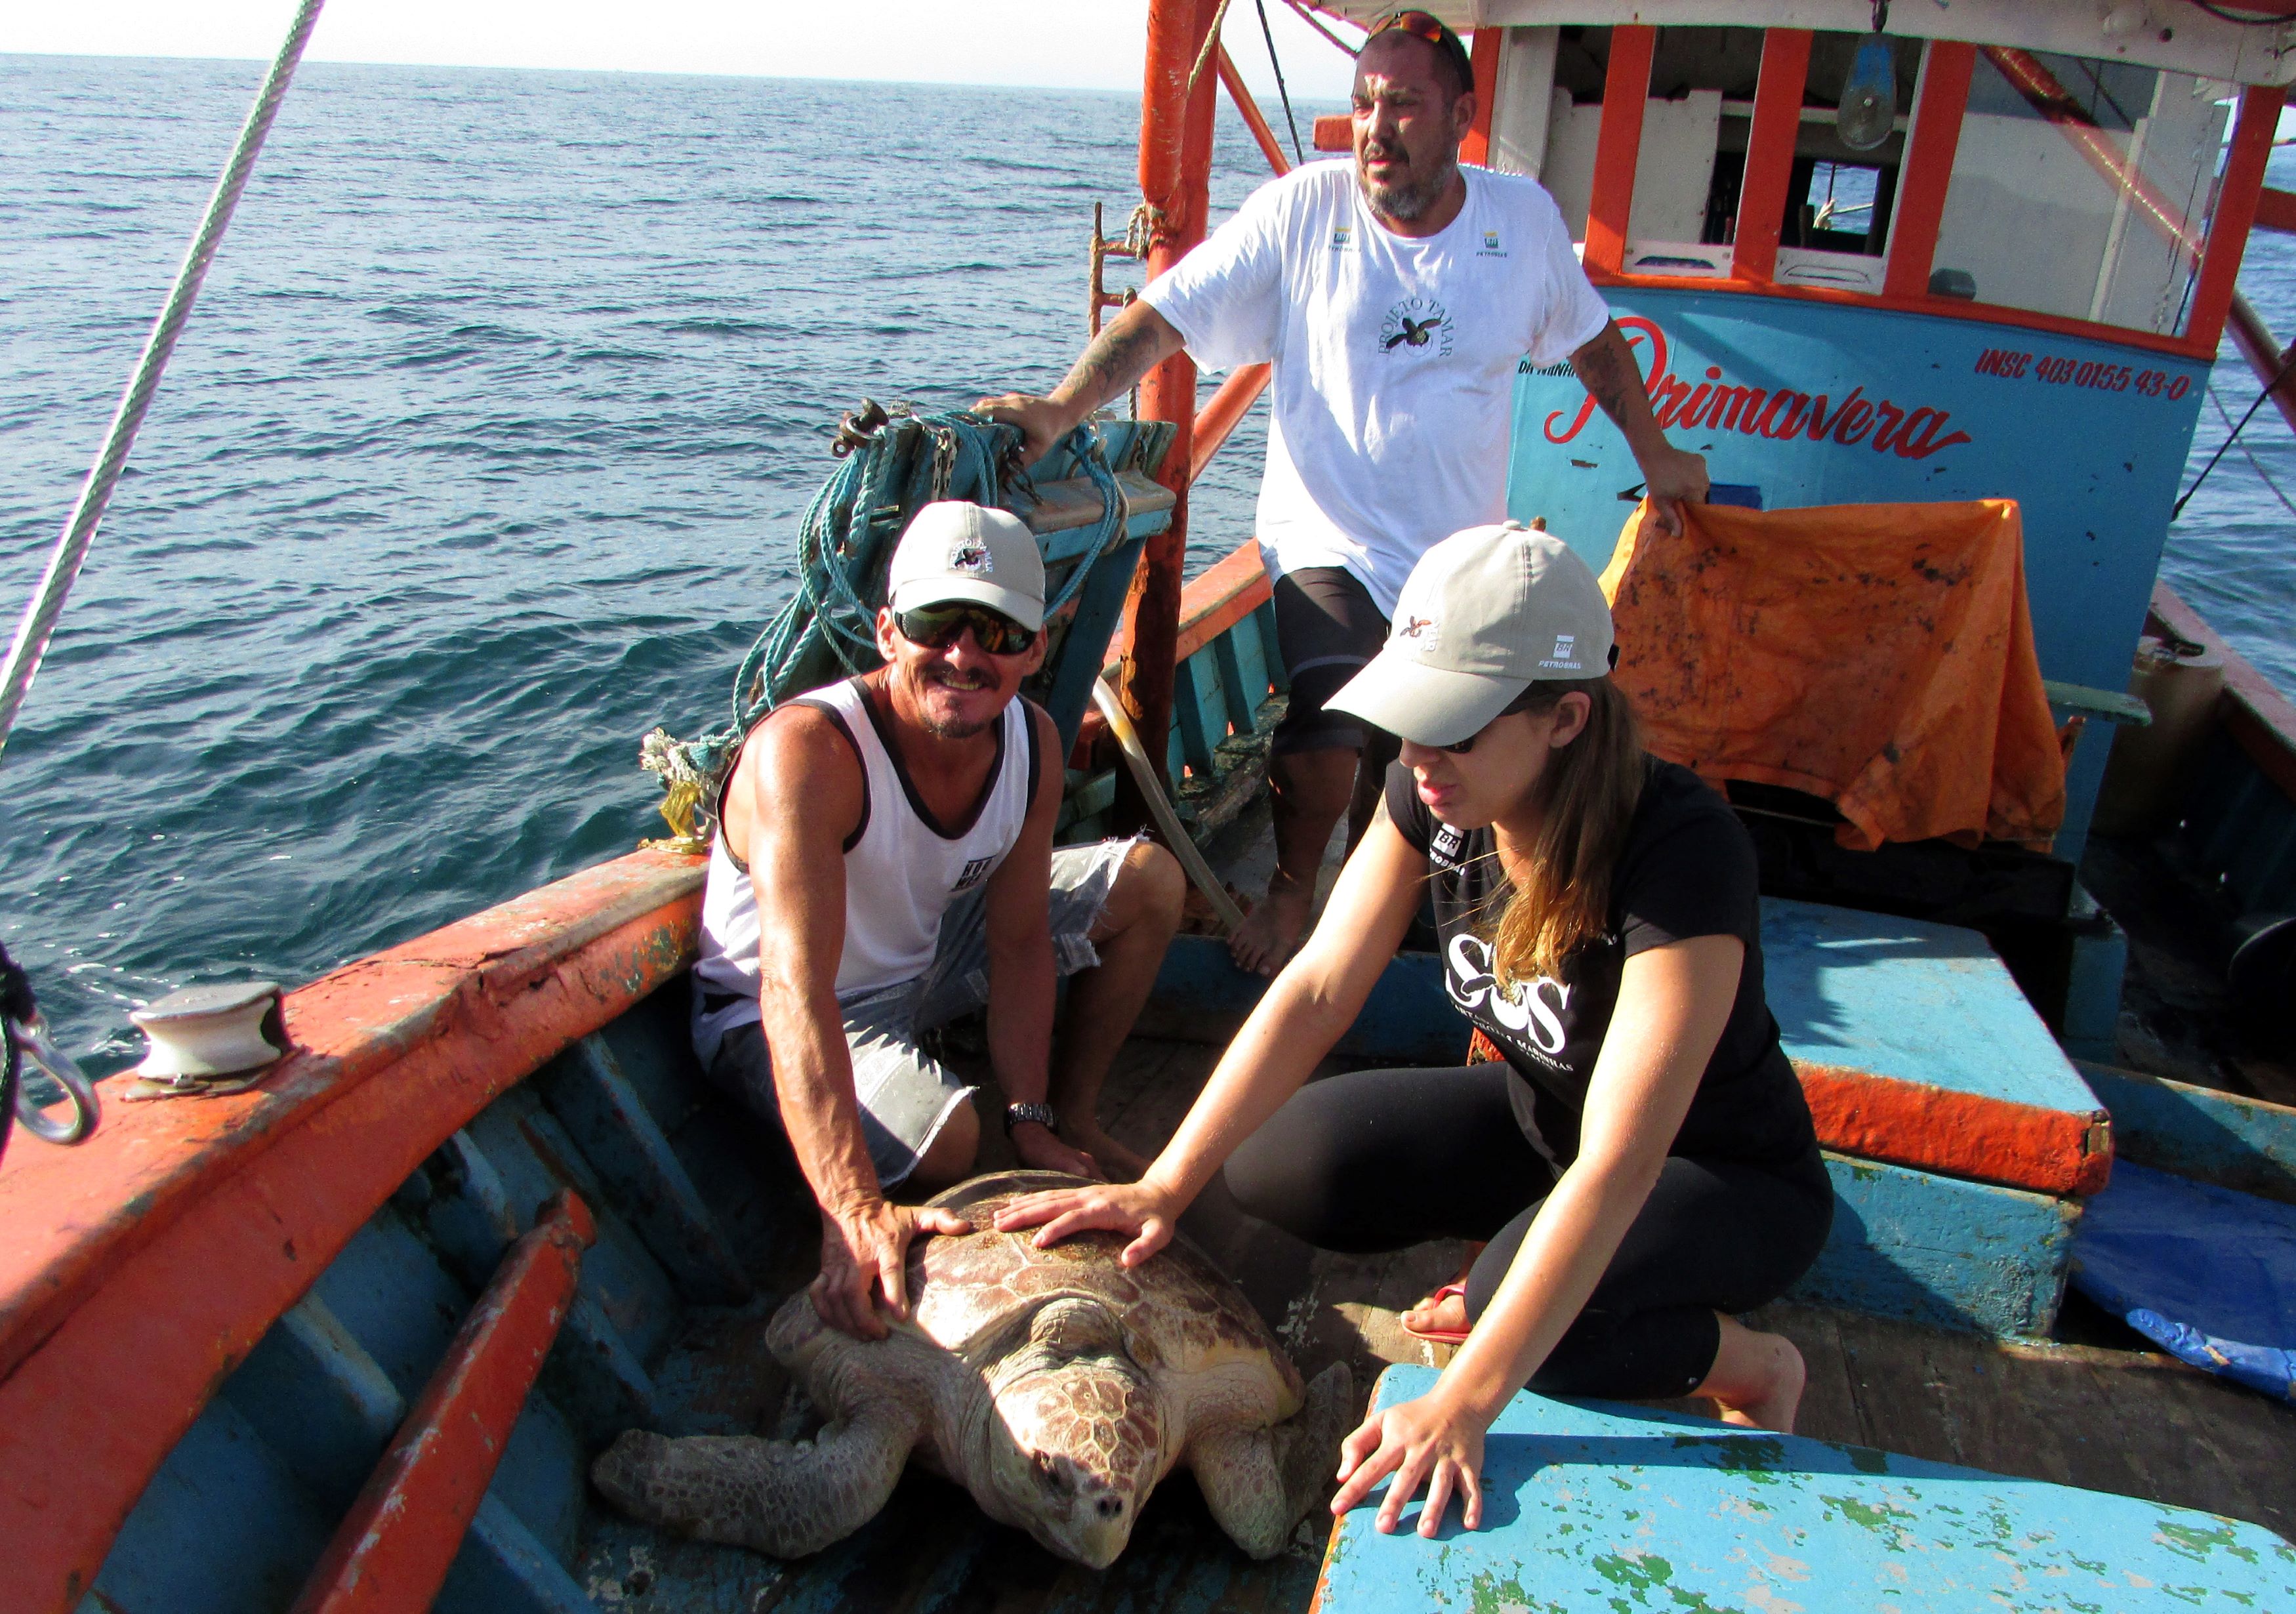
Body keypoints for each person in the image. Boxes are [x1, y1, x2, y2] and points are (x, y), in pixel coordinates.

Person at [992, 523, 1833, 1538]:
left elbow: (1619, 1164)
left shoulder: (1681, 850)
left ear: (1565, 719)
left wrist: (1465, 1402)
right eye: (1407, 719)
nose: (1419, 757)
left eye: (1454, 727)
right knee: (1277, 1164)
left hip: (1716, 1175)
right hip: (1543, 1128)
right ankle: (1523, 1256)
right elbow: (1317, 990)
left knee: (1534, 1337)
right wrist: (1163, 1186)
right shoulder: (1435, 791)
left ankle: (1753, 1364)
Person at [978, 10, 1708, 978]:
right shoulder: (1304, 209)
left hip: (1452, 556)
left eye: (1403, 103)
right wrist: (1063, 408)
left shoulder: (1519, 222)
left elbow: (1594, 343)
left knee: (1427, 754)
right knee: (1332, 718)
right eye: (1364, 102)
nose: (1376, 125)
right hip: (1325, 534)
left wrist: (1655, 452)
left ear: (1461, 116)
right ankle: (1291, 891)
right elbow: (1165, 316)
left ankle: (1389, 913)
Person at [691, 499, 1185, 1340]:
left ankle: (1069, 1118)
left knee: (1150, 883)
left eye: (995, 632)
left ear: (1035, 648)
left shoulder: (1031, 741)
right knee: (953, 1141)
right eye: (935, 623)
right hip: (779, 1013)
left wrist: (1025, 1111)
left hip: (917, 962)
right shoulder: (810, 754)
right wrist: (849, 1206)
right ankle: (873, 1161)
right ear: (887, 632)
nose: (962, 655)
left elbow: (1019, 938)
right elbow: (790, 991)